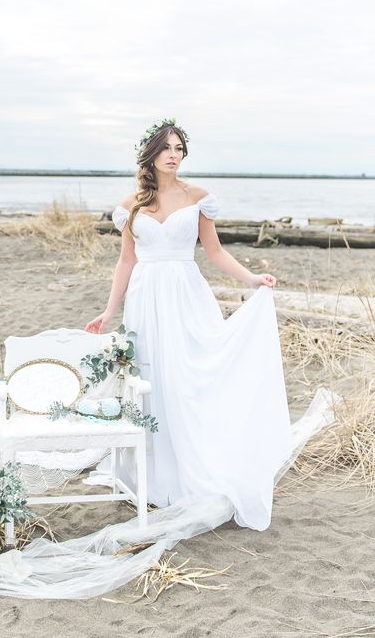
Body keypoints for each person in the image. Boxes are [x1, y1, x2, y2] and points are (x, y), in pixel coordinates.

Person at [85, 117, 293, 530]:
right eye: (167, 148)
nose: (174, 155)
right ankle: (153, 473)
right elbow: (126, 261)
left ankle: (196, 467)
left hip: (186, 293)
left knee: (190, 375)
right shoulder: (132, 206)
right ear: (151, 154)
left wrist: (251, 278)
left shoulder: (199, 198)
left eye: (179, 149)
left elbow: (214, 252)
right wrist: (110, 311)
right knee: (152, 378)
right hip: (145, 297)